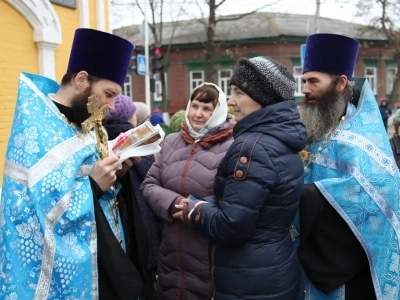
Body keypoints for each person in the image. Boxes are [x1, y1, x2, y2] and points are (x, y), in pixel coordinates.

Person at [0, 28, 144, 299]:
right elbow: (32, 210)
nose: (112, 105)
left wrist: (118, 173)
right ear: (81, 80)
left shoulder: (86, 122)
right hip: (55, 270)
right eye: (109, 93)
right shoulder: (37, 128)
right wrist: (93, 186)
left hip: (100, 255)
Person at [187, 57, 307, 299]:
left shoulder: (252, 147)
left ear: (263, 98)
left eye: (238, 92)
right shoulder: (281, 140)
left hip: (247, 278)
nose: (230, 101)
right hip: (275, 266)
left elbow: (231, 226)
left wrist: (195, 209)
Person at [295, 33, 400, 299]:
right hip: (300, 262)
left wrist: (300, 194)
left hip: (345, 274)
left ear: (341, 83)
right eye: (304, 80)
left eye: (313, 81)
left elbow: (383, 188)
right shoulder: (314, 126)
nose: (305, 89)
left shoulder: (361, 135)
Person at [140, 83, 235, 300]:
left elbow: (233, 199)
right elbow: (149, 184)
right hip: (171, 254)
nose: (198, 114)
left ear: (218, 111)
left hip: (210, 254)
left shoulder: (232, 147)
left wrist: (195, 209)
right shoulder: (172, 142)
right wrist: (172, 203)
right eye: (195, 106)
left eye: (207, 108)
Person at [102, 94, 160, 299]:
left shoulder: (97, 138)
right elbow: (150, 178)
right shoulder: (134, 141)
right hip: (138, 222)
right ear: (129, 118)